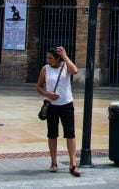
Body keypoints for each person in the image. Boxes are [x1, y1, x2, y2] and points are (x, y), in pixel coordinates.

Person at [36, 46, 80, 177]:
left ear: (57, 58)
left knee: (70, 134)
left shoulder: (65, 66)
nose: (48, 60)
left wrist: (65, 56)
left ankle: (73, 163)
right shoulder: (45, 69)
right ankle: (53, 162)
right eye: (47, 58)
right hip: (52, 106)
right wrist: (47, 94)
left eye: (50, 58)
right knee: (52, 134)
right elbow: (38, 86)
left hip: (66, 104)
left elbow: (75, 71)